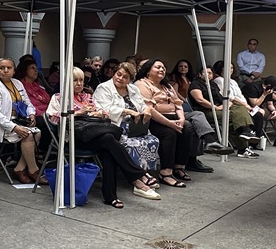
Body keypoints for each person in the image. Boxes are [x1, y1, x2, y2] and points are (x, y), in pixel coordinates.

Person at [47, 68, 160, 208]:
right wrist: (78, 113)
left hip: (93, 135)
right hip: (72, 138)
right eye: (75, 80)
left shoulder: (87, 97)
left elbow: (105, 113)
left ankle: (112, 195)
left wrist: (99, 114)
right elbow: (53, 118)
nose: (79, 83)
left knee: (108, 145)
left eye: (81, 80)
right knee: (109, 141)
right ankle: (131, 180)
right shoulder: (59, 98)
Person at [93, 62, 161, 198]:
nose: (120, 78)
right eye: (118, 74)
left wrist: (146, 110)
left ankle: (145, 175)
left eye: (125, 77)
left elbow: (141, 104)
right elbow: (105, 110)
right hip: (115, 126)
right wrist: (127, 111)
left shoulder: (133, 89)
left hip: (134, 127)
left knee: (152, 140)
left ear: (130, 80)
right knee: (133, 144)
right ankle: (139, 181)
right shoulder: (104, 88)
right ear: (114, 73)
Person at [134, 59, 197, 188]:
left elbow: (178, 104)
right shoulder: (141, 84)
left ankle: (179, 167)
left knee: (187, 129)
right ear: (148, 71)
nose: (162, 69)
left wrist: (181, 119)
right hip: (153, 119)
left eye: (163, 67)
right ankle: (165, 172)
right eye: (158, 67)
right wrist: (170, 123)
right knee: (169, 133)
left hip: (174, 117)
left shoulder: (167, 86)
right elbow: (149, 109)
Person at [0, 57, 42, 184]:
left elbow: (27, 102)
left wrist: (31, 114)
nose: (5, 70)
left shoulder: (17, 83)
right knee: (28, 135)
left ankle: (19, 168)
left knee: (38, 133)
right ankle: (33, 170)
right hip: (0, 125)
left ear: (14, 71)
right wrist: (14, 127)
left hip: (18, 120)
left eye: (9, 68)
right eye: (2, 68)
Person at [189, 66, 255, 158]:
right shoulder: (195, 84)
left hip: (220, 107)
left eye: (210, 73)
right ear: (200, 74)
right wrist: (215, 107)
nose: (208, 75)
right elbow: (200, 100)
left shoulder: (213, 85)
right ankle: (243, 145)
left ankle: (246, 132)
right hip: (206, 110)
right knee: (233, 119)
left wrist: (227, 104)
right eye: (205, 72)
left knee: (240, 108)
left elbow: (221, 97)